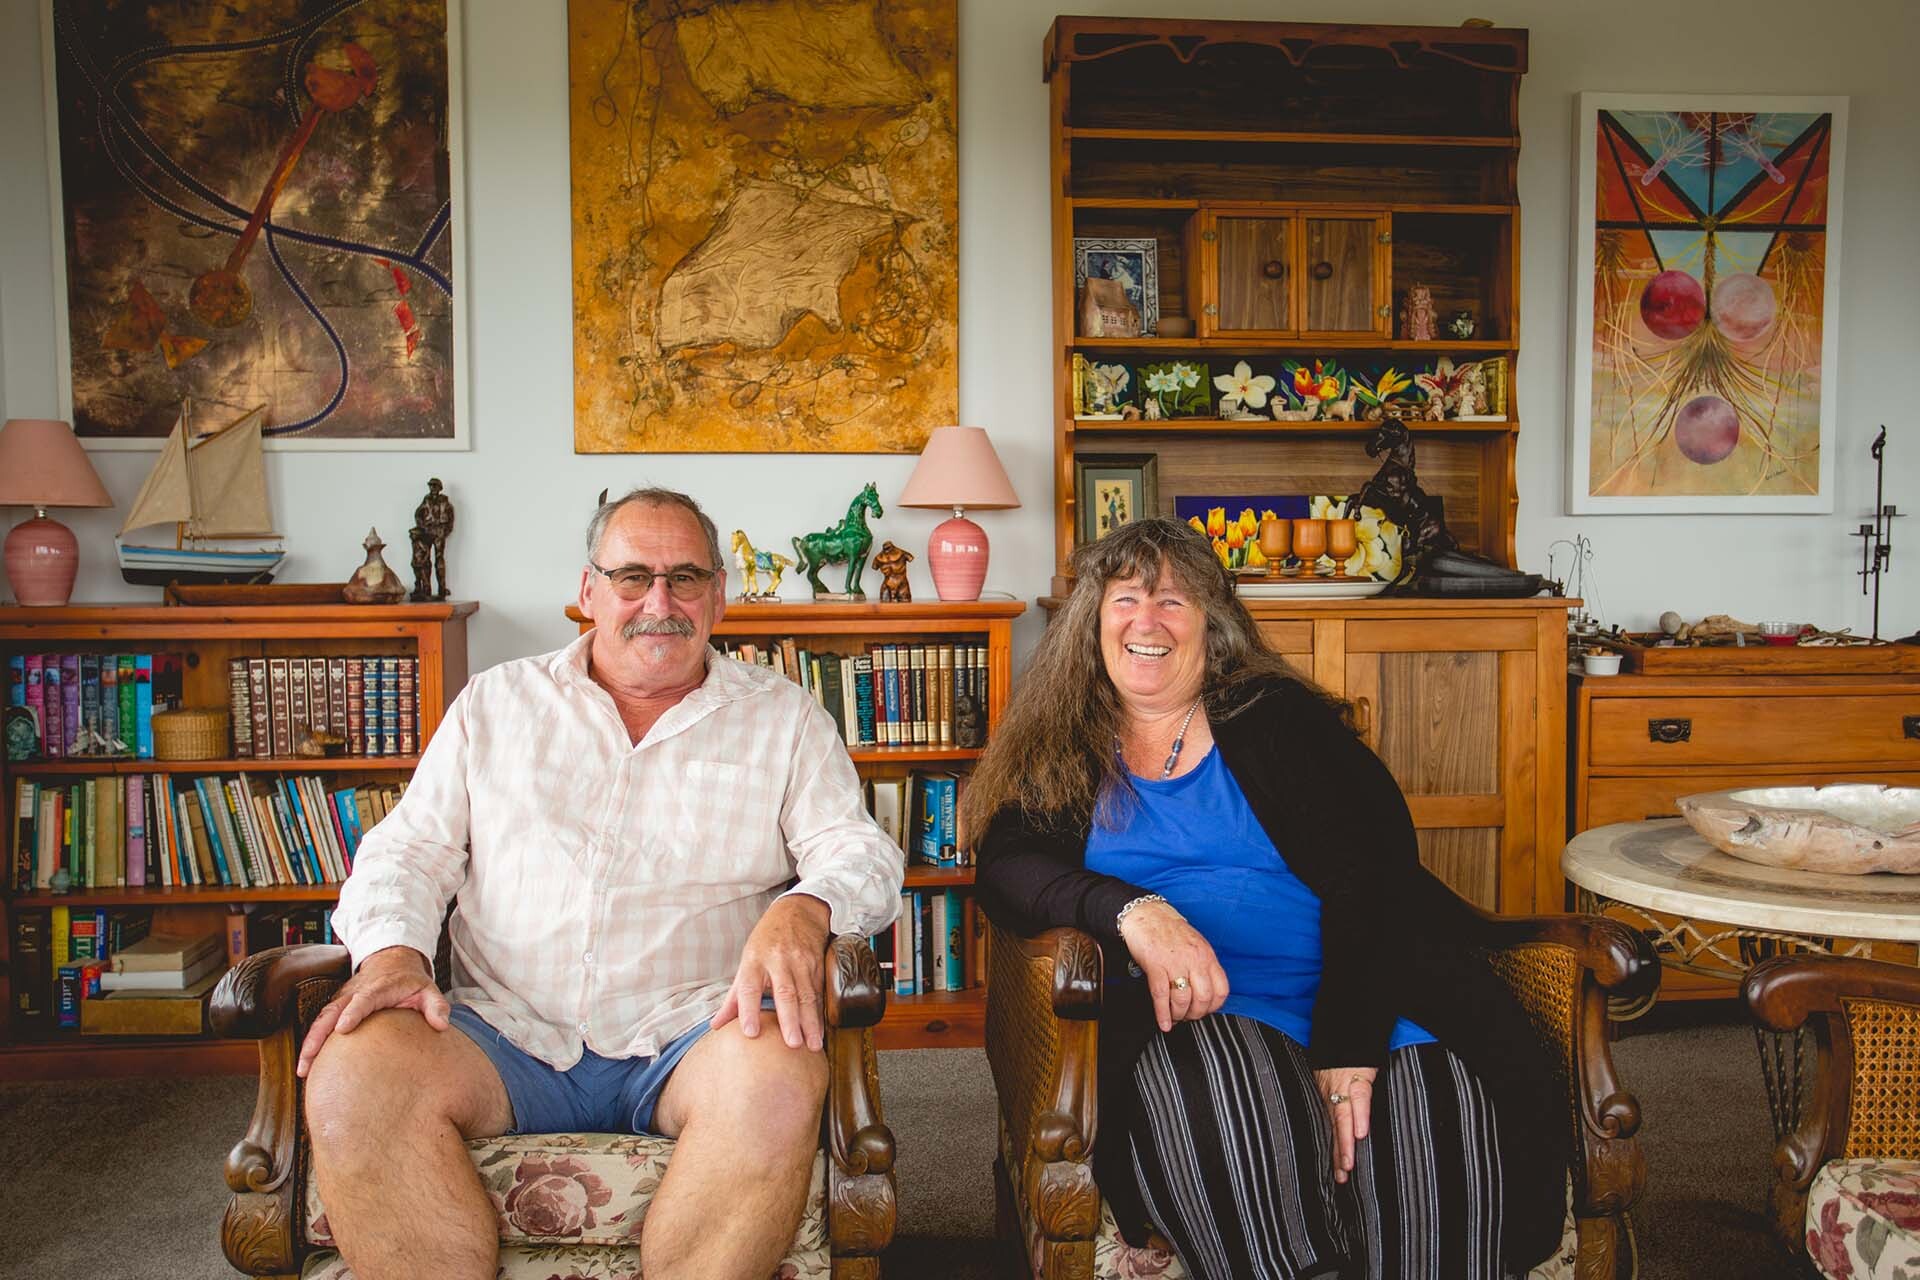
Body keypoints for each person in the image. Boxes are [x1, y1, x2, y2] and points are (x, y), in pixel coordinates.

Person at [300, 487, 902, 1280]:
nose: (660, 602)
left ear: (719, 595)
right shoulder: (496, 704)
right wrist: (392, 952)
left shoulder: (785, 718)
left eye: (685, 578)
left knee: (782, 1082)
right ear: (589, 591)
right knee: (353, 1074)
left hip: (697, 1032)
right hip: (501, 1030)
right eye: (632, 577)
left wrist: (807, 907)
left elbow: (862, 853)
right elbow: (408, 850)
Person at [964, 517, 1565, 1280]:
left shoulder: (1275, 716)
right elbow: (1006, 865)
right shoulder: (1066, 744)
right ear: (1093, 620)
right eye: (1126, 599)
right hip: (1202, 1016)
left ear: (1211, 624)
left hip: (1362, 991)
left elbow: (1377, 870)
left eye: (1172, 600)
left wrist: (1349, 1046)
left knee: (1436, 1120)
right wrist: (1133, 911)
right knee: (1216, 1094)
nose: (1147, 622)